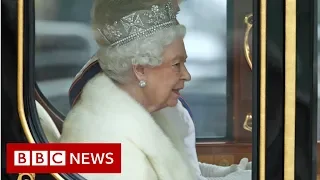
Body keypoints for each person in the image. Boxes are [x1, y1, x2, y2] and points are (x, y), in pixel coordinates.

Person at [59, 0, 251, 179]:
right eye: (176, 64)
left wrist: (237, 173)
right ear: (140, 70)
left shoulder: (154, 111)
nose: (187, 75)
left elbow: (181, 168)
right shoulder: (105, 138)